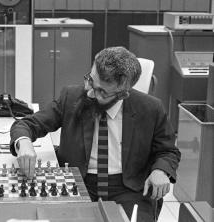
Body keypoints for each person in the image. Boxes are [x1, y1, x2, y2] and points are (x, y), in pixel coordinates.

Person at [9, 46, 181, 222]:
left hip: (129, 189)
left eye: (102, 92)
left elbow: (168, 150)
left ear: (123, 94)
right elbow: (27, 124)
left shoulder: (151, 108)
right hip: (78, 183)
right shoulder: (72, 96)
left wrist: (160, 171)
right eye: (90, 81)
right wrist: (24, 142)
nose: (90, 92)